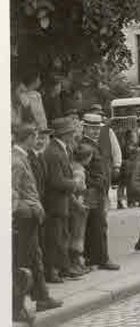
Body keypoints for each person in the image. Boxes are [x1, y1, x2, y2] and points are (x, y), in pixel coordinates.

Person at [12, 123, 63, 319]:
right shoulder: (16, 160)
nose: (37, 140)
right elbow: (12, 194)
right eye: (35, 137)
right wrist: (29, 210)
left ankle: (42, 298)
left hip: (31, 217)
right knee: (23, 262)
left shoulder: (21, 157)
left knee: (35, 258)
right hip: (24, 219)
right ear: (28, 138)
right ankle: (16, 308)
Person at [42, 117, 84, 282]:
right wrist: (75, 183)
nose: (73, 135)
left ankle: (62, 268)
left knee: (62, 235)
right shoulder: (54, 152)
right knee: (55, 237)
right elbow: (56, 181)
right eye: (71, 133)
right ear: (65, 134)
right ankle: (52, 271)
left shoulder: (60, 149)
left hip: (62, 200)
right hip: (55, 201)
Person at [80, 114, 120, 271]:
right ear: (85, 128)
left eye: (97, 128)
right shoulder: (85, 145)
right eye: (92, 128)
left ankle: (92, 257)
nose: (95, 131)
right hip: (93, 191)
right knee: (98, 224)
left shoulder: (92, 144)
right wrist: (97, 184)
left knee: (95, 224)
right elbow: (83, 170)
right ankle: (102, 259)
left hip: (97, 189)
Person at [68, 143, 93, 273]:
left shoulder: (72, 166)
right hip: (78, 204)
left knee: (75, 234)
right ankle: (75, 263)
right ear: (87, 158)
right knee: (77, 234)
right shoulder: (79, 171)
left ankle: (78, 262)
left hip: (75, 204)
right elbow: (76, 187)